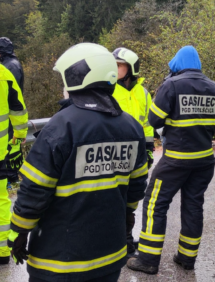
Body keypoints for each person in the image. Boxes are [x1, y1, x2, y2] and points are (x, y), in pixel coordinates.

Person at [8, 43, 148, 282]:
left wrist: (19, 232)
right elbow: (136, 185)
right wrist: (128, 213)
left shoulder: (60, 127)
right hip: (109, 257)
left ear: (77, 77)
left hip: (60, 261)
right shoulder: (132, 127)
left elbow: (34, 191)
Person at [127, 46, 215, 275]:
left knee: (155, 204)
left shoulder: (171, 85)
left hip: (175, 161)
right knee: (193, 206)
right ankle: (187, 258)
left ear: (177, 66)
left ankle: (148, 259)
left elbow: (153, 119)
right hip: (203, 161)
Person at [111, 47, 155, 258]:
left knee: (133, 197)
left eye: (119, 65)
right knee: (112, 198)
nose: (115, 68)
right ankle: (114, 241)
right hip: (113, 153)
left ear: (131, 69)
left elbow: (147, 124)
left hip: (136, 153)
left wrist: (149, 148)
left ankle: (127, 240)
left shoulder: (143, 93)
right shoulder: (108, 89)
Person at [0, 63, 28, 266]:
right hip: (0, 151)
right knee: (1, 200)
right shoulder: (4, 74)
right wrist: (19, 137)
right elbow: (18, 109)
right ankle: (1, 250)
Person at [0, 37, 25, 185]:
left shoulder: (10, 67)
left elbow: (10, 95)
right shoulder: (10, 64)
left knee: (10, 146)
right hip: (10, 113)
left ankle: (11, 176)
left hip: (9, 114)